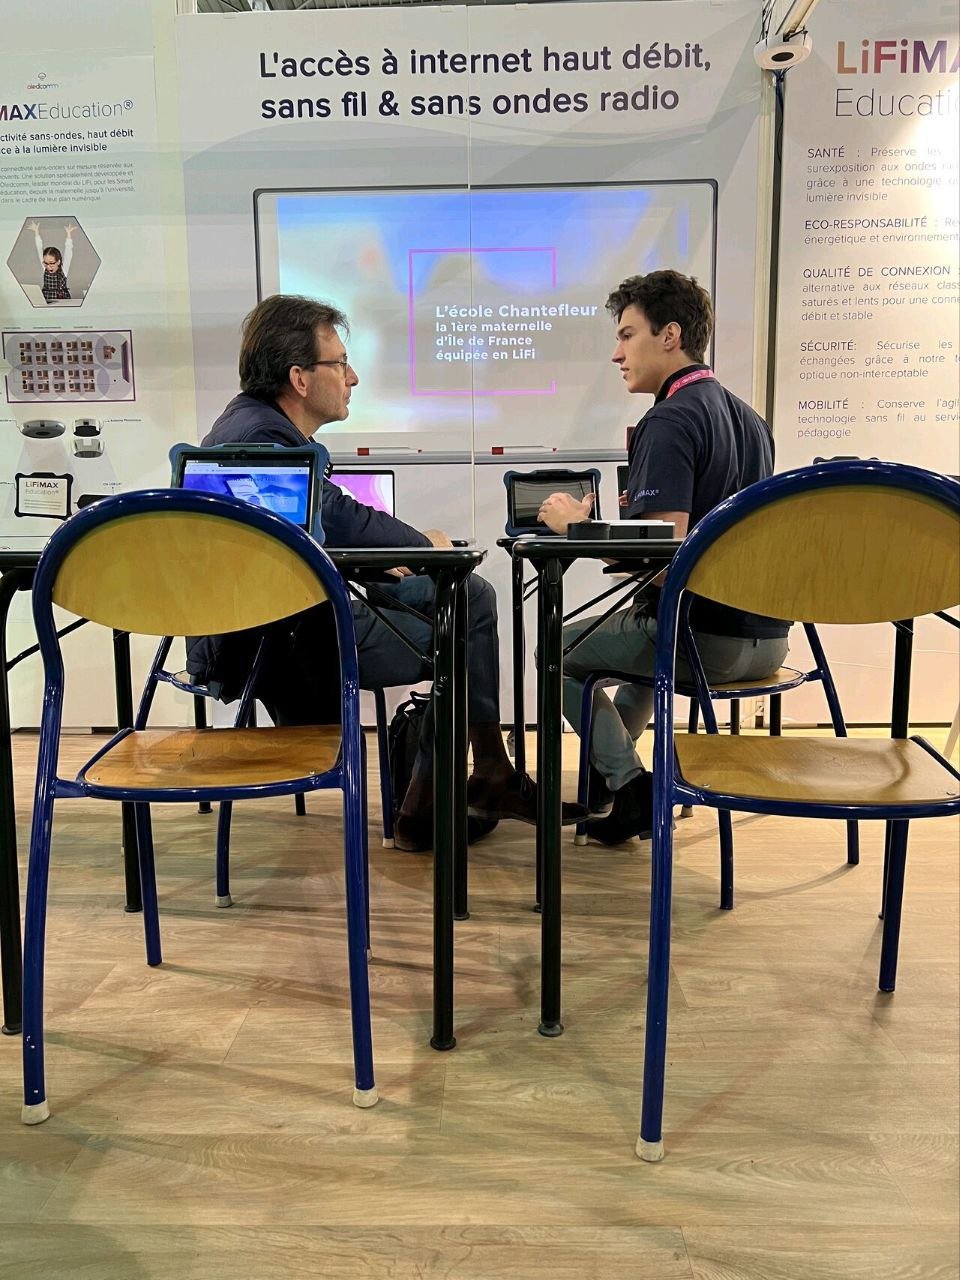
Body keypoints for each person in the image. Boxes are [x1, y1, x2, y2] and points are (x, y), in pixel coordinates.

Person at [187, 294, 580, 851]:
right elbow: (335, 517)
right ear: (300, 378)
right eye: (341, 364)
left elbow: (307, 537)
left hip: (303, 615)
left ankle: (488, 770)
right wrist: (423, 548)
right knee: (459, 638)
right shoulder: (258, 440)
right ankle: (428, 806)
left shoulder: (259, 429)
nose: (353, 377)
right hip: (291, 642)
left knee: (470, 593)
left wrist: (386, 564)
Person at [536, 270, 791, 845]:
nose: (616, 354)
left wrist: (577, 527)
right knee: (639, 651)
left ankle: (630, 786)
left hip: (706, 644)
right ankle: (613, 780)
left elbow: (664, 555)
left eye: (627, 336)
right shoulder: (752, 421)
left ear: (670, 335)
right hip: (768, 642)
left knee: (554, 651)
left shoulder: (670, 417)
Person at [30, 220, 74, 302]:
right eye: (46, 263)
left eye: (52, 263)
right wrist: (36, 232)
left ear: (58, 262)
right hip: (47, 298)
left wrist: (69, 234)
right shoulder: (45, 268)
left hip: (62, 300)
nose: (48, 266)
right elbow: (39, 248)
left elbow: (68, 253)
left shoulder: (64, 270)